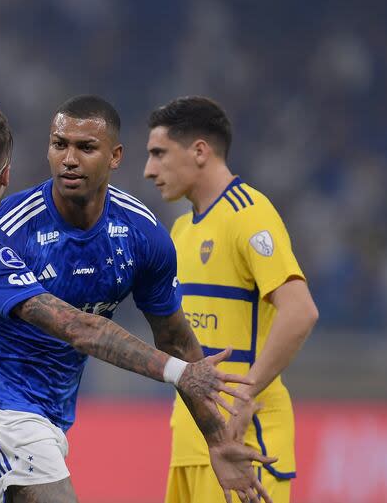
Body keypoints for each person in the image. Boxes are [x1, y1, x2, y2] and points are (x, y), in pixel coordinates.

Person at [0, 92, 270, 503]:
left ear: (115, 157)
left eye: (86, 148)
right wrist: (179, 373)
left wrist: (216, 436)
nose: (69, 159)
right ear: (9, 171)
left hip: (19, 420)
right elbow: (74, 328)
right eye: (60, 145)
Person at [143, 96, 319, 503]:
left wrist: (246, 396)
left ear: (199, 150)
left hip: (244, 443)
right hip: (193, 443)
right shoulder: (182, 230)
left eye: (158, 154)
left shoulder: (248, 213)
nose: (149, 170)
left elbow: (300, 311)